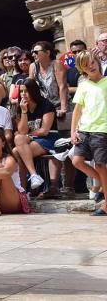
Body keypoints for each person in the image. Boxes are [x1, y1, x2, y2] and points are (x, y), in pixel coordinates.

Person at [69, 50, 107, 216]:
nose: (90, 66)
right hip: (84, 129)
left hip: (102, 130)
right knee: (76, 161)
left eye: (91, 62)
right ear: (82, 69)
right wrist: (73, 132)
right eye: (85, 65)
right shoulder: (83, 85)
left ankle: (105, 204)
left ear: (97, 61)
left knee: (100, 165)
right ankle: (99, 180)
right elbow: (77, 110)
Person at [12, 78, 59, 194]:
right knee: (16, 148)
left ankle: (24, 188)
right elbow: (22, 131)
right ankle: (31, 179)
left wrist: (28, 135)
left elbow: (44, 131)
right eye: (21, 92)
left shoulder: (46, 105)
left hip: (49, 140)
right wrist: (23, 112)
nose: (23, 94)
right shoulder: (21, 106)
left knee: (17, 151)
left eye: (26, 91)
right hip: (32, 140)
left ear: (34, 91)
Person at [29, 41, 69, 120]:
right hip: (44, 107)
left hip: (58, 105)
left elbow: (62, 87)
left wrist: (63, 108)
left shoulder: (56, 64)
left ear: (47, 52)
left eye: (36, 52)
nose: (33, 55)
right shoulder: (33, 66)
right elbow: (30, 88)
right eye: (32, 52)